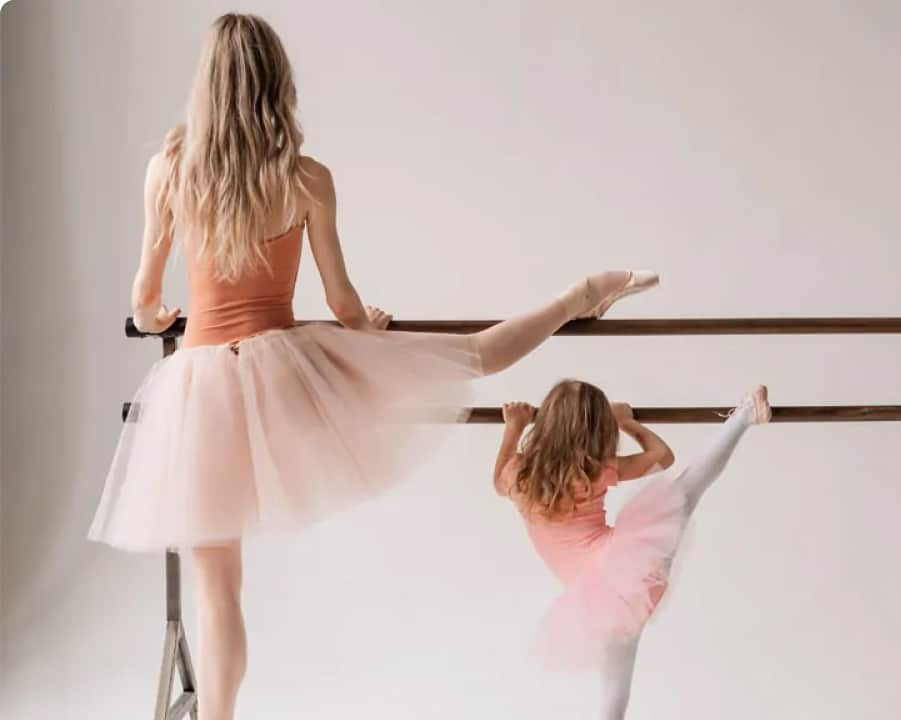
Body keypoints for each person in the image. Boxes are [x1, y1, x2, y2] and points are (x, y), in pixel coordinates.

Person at [87, 13, 657, 720]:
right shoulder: (305, 178)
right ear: (274, 84)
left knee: (218, 588)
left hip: (202, 387)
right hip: (284, 379)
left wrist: (162, 320)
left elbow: (144, 302)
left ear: (205, 86)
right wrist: (370, 337)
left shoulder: (169, 170)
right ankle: (581, 294)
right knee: (471, 355)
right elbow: (342, 300)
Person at [495, 380, 771, 719]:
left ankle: (744, 415)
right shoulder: (595, 470)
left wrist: (514, 426)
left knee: (615, 689)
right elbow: (663, 457)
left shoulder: (519, 474)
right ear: (597, 428)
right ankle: (744, 416)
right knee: (687, 489)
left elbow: (497, 481)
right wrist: (626, 422)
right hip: (624, 570)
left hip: (599, 591)